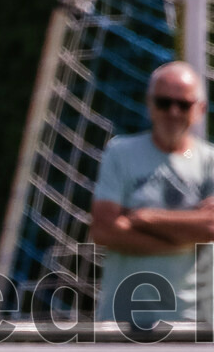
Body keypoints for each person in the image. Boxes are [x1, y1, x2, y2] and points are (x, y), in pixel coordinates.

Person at [91, 61, 214, 327]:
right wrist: (183, 238)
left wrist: (145, 218)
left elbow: (211, 225)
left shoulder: (209, 161)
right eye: (163, 102)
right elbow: (103, 229)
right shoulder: (120, 152)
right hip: (121, 317)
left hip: (191, 322)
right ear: (149, 105)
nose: (173, 111)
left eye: (183, 104)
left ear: (200, 109)